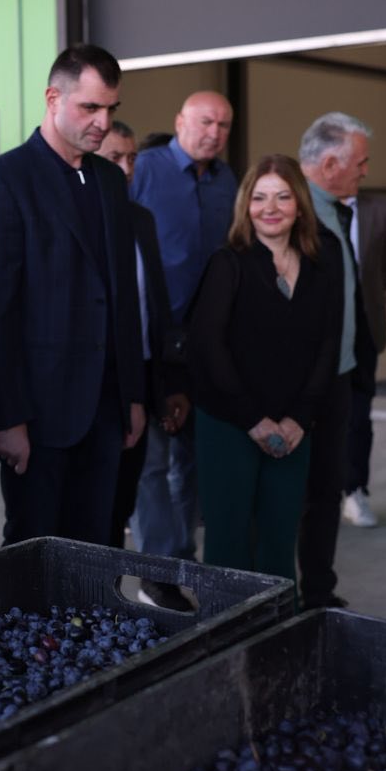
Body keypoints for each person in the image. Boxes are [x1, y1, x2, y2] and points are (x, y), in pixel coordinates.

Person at [0, 44, 144, 547]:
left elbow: (122, 298)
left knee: (100, 548)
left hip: (107, 411)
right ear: (53, 99)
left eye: (110, 108)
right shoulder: (3, 182)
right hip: (39, 415)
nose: (103, 122)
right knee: (35, 551)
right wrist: (6, 418)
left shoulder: (110, 181)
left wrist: (132, 395)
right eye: (90, 107)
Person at [189, 156, 342, 590]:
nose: (270, 208)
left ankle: (277, 626)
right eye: (259, 198)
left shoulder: (320, 266)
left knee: (279, 538)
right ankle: (223, 626)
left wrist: (300, 418)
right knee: (229, 541)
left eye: (282, 197)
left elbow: (328, 344)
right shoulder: (229, 263)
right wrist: (253, 419)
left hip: (293, 426)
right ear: (246, 205)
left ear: (300, 205)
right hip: (230, 422)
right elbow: (209, 348)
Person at [128, 91, 236, 609]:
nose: (214, 132)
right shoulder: (145, 169)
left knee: (196, 458)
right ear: (179, 122)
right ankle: (156, 573)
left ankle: (184, 554)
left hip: (207, 344)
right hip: (152, 341)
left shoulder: (227, 181)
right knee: (153, 461)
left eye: (223, 125)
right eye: (205, 121)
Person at [296, 112, 377, 610]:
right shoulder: (293, 212)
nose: (365, 171)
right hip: (302, 382)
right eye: (360, 162)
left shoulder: (337, 210)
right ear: (330, 164)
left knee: (327, 488)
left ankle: (318, 589)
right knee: (296, 493)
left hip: (340, 376)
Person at [95, 123, 185, 549]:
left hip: (144, 373)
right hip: (96, 383)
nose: (127, 168)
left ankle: (148, 570)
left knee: (135, 485)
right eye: (115, 158)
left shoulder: (141, 220)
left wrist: (168, 382)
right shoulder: (79, 222)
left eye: (132, 158)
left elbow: (157, 306)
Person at [341, 190, 386, 528]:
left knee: (359, 413)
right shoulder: (305, 203)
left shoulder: (379, 210)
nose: (359, 169)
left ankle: (354, 488)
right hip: (319, 324)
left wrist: (366, 299)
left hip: (364, 323)